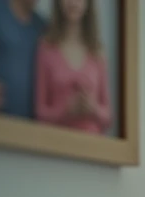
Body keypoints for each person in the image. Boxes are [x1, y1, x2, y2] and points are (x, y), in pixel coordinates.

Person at [34, 0, 111, 134]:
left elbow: (108, 117)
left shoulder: (97, 52)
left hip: (91, 146)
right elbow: (40, 112)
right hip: (55, 144)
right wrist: (66, 111)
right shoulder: (46, 47)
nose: (73, 2)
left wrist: (92, 108)